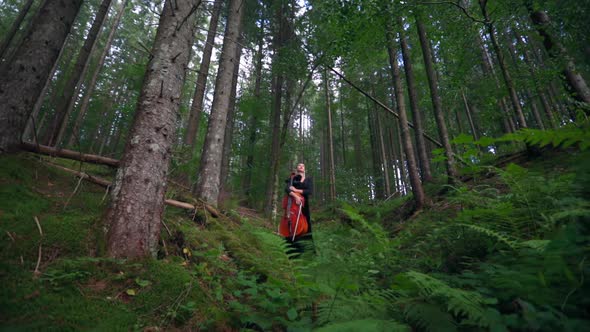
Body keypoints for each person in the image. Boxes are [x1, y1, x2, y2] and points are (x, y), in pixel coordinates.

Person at [284, 163, 314, 256]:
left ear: (305, 169)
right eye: (299, 165)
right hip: (294, 205)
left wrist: (296, 191)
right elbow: (287, 188)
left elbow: (309, 191)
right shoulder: (293, 178)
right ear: (297, 168)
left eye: (303, 165)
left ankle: (305, 250)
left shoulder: (308, 179)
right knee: (291, 226)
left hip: (304, 205)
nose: (301, 166)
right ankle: (290, 249)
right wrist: (295, 196)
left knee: (306, 227)